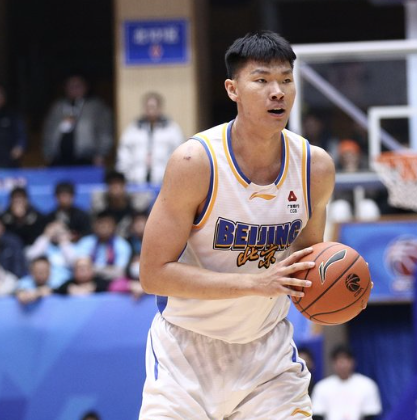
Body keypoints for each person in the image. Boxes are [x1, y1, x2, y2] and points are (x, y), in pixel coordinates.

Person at [138, 31, 335, 419]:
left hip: (267, 358)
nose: (277, 92)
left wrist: (339, 285)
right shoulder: (195, 163)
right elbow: (153, 274)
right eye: (262, 80)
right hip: (184, 356)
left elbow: (308, 264)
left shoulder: (315, 168)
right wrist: (255, 284)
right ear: (233, 90)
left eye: (286, 80)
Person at [42, 75, 113, 167]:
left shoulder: (96, 107)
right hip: (59, 159)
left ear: (86, 87)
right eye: (70, 86)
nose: (74, 89)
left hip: (87, 158)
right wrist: (48, 153)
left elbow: (105, 131)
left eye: (78, 86)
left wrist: (101, 154)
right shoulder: (57, 107)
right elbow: (48, 130)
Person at [116, 92, 185, 185]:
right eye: (148, 107)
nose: (150, 110)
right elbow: (124, 154)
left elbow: (179, 154)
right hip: (136, 182)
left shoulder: (172, 129)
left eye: (153, 107)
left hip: (164, 182)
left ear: (160, 108)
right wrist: (126, 176)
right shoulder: (133, 129)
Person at [311, 345, 382, 420]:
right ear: (333, 363)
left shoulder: (367, 385)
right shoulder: (321, 387)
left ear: (353, 362)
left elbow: (371, 414)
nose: (342, 365)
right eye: (339, 361)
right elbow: (317, 414)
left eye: (346, 360)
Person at [75, 210, 132, 281]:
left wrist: (94, 269)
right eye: (100, 223)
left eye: (107, 224)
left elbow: (119, 272)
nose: (103, 227)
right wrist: (106, 270)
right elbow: (81, 268)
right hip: (88, 280)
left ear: (114, 226)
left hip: (112, 281)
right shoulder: (85, 242)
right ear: (94, 225)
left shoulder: (122, 245)